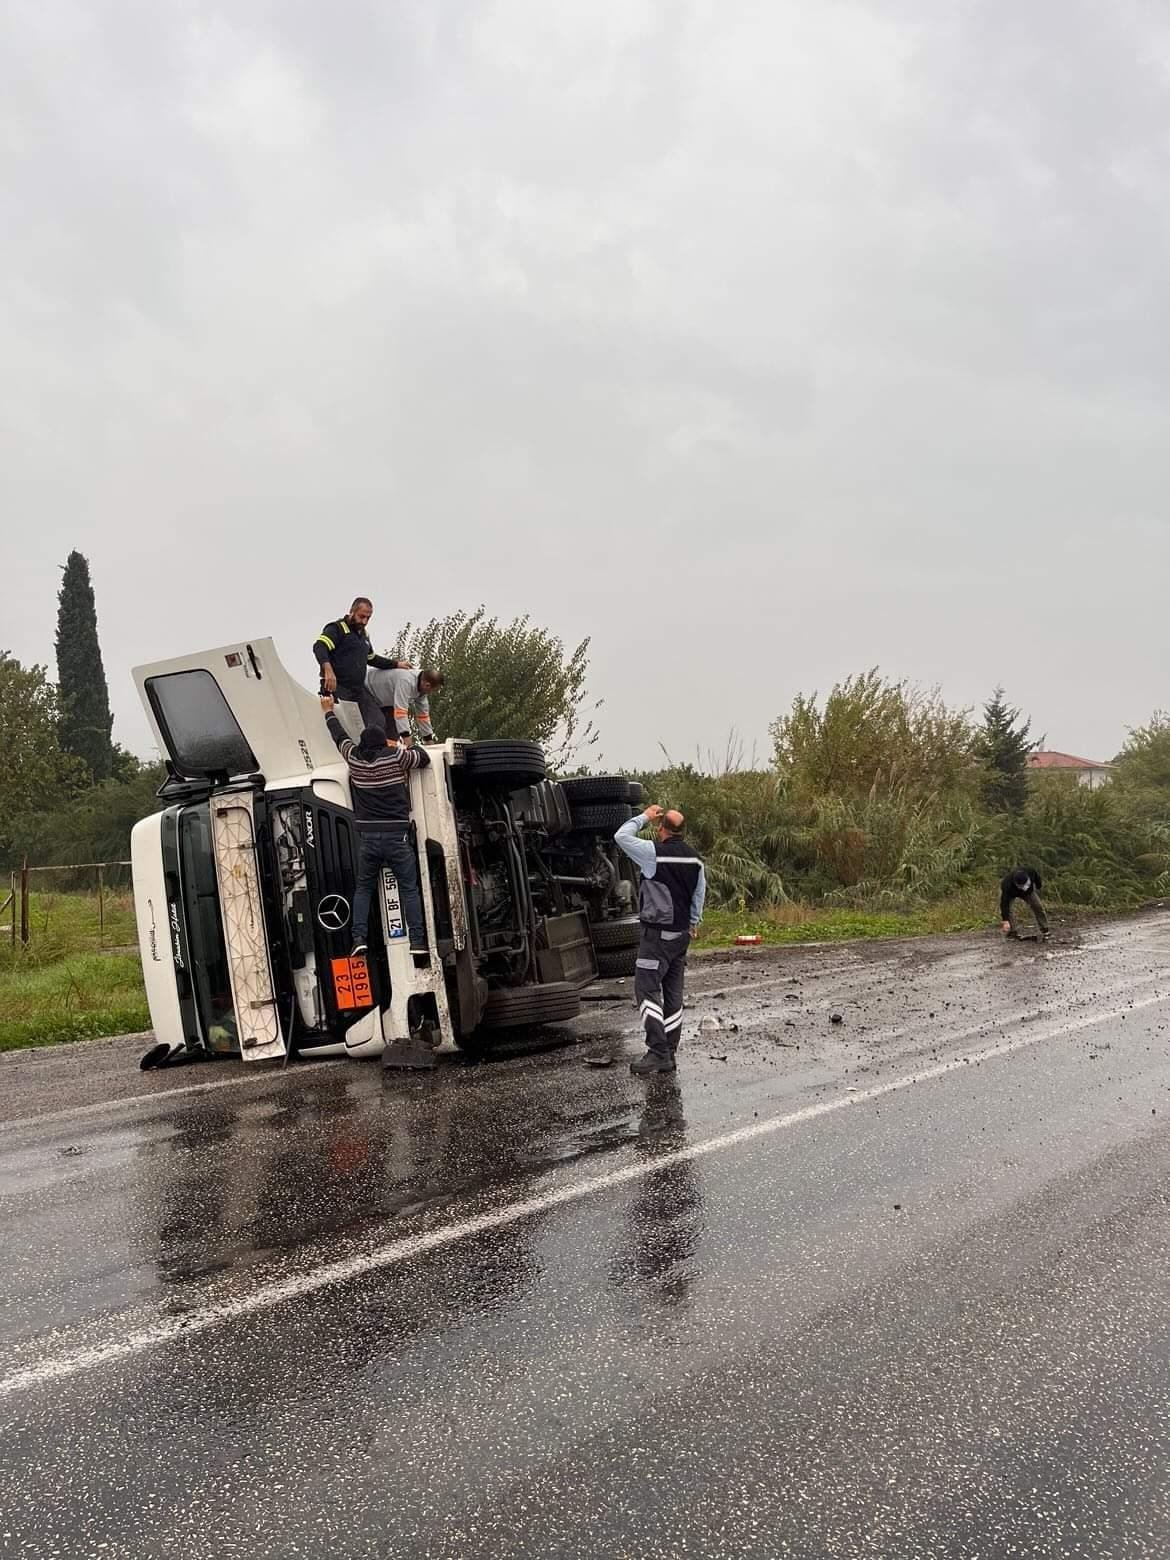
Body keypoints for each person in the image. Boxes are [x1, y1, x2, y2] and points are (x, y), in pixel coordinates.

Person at [320, 694, 429, 955]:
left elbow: (339, 736)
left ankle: (359, 938)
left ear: (363, 743)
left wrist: (328, 711)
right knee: (408, 889)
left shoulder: (354, 758)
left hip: (368, 839)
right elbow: (422, 758)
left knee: (364, 889)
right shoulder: (395, 757)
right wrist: (401, 745)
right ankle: (417, 942)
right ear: (383, 742)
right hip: (397, 837)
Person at [614, 804, 706, 1074]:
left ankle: (657, 1052)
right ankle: (670, 1051)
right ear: (683, 831)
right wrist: (693, 923)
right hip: (681, 936)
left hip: (656, 936)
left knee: (646, 990)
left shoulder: (653, 853)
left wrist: (644, 816)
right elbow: (698, 895)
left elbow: (621, 836)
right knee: (673, 994)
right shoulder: (696, 860)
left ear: (661, 828)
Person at [313, 597, 409, 734]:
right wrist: (328, 669)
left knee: (378, 721)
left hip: (357, 690)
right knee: (344, 723)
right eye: (361, 616)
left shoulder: (364, 635)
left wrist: (397, 664)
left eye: (368, 618)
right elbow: (320, 646)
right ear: (352, 612)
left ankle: (376, 747)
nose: (364, 621)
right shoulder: (337, 628)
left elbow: (372, 659)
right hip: (337, 687)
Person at [365, 665, 445, 744]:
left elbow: (423, 716)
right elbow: (401, 711)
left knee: (392, 732)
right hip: (366, 688)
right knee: (378, 724)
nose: (432, 693)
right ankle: (372, 750)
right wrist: (406, 737)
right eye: (434, 690)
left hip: (383, 698)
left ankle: (387, 750)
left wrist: (428, 739)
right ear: (427, 685)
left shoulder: (421, 687)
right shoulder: (405, 681)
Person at [1000, 865, 1050, 940]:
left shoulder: (1031, 871)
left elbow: (1037, 879)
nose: (1024, 888)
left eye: (1025, 884)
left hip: (1029, 893)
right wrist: (1005, 920)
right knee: (1009, 910)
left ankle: (1044, 928)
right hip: (1012, 893)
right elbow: (1004, 904)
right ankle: (1012, 932)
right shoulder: (1007, 885)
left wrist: (1039, 886)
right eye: (1021, 886)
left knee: (1037, 906)